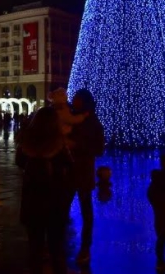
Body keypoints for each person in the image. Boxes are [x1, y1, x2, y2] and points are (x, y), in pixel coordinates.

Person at [16, 106, 74, 274]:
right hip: (55, 203)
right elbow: (70, 167)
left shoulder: (26, 143)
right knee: (56, 248)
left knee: (35, 248)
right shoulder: (60, 145)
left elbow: (19, 162)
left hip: (32, 202)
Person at [67, 88, 105, 265]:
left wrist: (77, 145)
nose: (73, 101)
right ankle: (60, 244)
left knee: (86, 211)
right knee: (62, 208)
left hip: (83, 171)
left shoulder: (93, 122)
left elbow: (98, 149)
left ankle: (85, 247)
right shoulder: (70, 118)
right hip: (67, 170)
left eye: (77, 99)